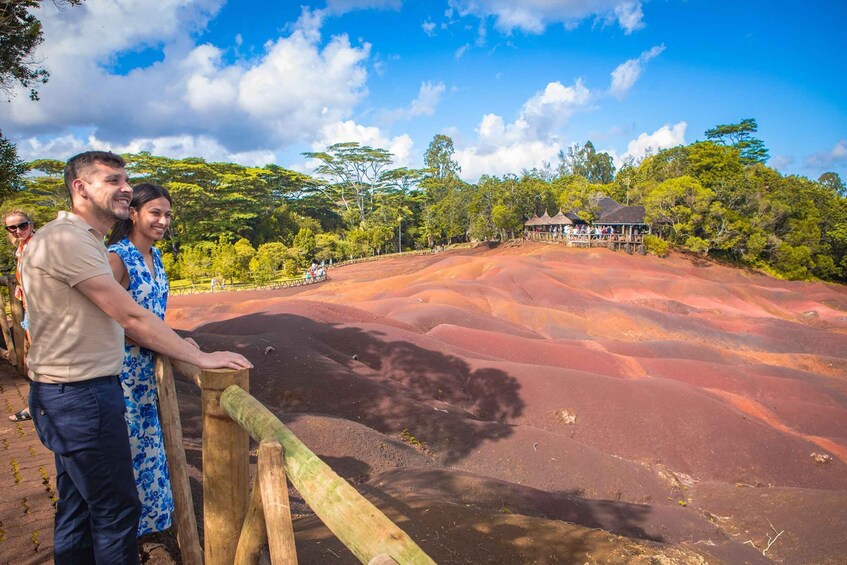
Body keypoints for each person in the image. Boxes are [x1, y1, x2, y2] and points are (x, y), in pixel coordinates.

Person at [22, 151, 252, 564]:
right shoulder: (70, 241)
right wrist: (199, 357)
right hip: (82, 394)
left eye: (125, 180)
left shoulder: (81, 240)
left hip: (73, 391)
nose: (124, 188)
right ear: (80, 187)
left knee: (78, 506)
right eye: (111, 180)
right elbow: (129, 315)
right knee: (115, 513)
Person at [106, 183, 176, 537]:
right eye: (155, 213)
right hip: (123, 370)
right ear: (132, 213)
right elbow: (112, 318)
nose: (162, 221)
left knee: (150, 443)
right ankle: (125, 534)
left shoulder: (157, 256)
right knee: (130, 447)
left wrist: (167, 339)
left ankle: (147, 529)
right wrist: (166, 342)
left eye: (166, 215)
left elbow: (154, 313)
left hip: (148, 367)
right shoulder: (117, 258)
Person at [4, 209, 35, 421]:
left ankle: (36, 407)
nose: (18, 231)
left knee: (38, 360)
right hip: (29, 309)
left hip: (39, 311)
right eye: (12, 228)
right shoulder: (22, 249)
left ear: (30, 224)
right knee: (34, 360)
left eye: (22, 225)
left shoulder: (36, 246)